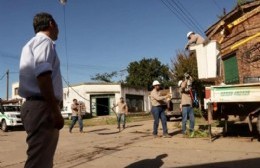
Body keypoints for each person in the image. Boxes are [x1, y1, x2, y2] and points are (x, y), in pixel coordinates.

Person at [18, 12, 64, 168]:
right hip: (42, 107)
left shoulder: (30, 44)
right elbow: (43, 76)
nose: (58, 28)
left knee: (42, 159)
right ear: (51, 23)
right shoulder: (45, 42)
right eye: (57, 24)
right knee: (39, 162)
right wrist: (55, 111)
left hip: (37, 106)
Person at [178, 74, 195, 138]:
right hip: (184, 106)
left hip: (190, 106)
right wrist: (185, 80)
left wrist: (189, 77)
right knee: (184, 120)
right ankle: (184, 132)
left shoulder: (188, 89)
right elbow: (183, 87)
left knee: (192, 119)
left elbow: (191, 81)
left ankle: (191, 131)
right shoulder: (181, 90)